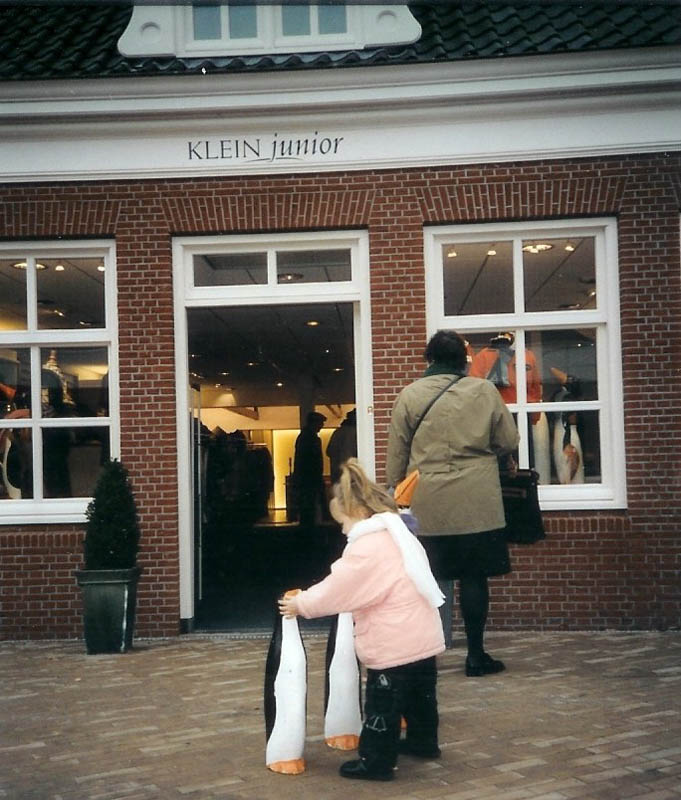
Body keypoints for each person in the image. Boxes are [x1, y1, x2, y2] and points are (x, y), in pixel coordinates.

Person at [279, 459, 445, 782]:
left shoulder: (367, 548)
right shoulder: (399, 533)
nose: (342, 530)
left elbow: (339, 588)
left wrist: (301, 604)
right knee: (421, 698)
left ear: (356, 512)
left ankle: (376, 762)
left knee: (383, 706)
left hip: (394, 645)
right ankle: (424, 742)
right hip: (423, 637)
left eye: (342, 522)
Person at [386, 330, 519, 677]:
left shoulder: (410, 395)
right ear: (463, 360)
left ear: (429, 359)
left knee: (424, 579)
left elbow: (397, 453)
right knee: (474, 578)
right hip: (477, 499)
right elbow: (508, 440)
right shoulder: (484, 391)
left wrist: (394, 490)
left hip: (426, 500)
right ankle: (475, 655)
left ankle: (422, 658)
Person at [292, 410, 326, 526]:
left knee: (307, 507)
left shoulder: (304, 437)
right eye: (320, 423)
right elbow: (313, 461)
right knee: (309, 506)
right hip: (310, 478)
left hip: (305, 478)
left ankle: (307, 527)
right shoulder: (312, 439)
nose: (321, 426)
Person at [326, 408, 357, 483]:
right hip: (352, 470)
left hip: (337, 471)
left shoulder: (338, 432)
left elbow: (329, 451)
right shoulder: (355, 432)